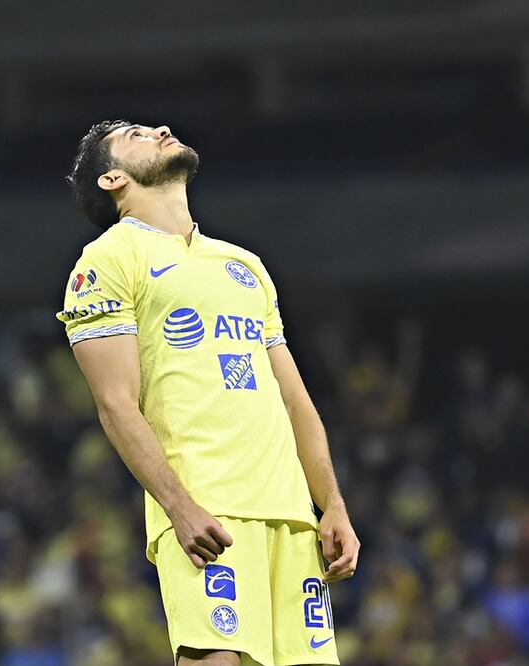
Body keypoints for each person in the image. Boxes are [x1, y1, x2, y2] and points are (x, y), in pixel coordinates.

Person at [57, 120, 359, 666]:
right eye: (136, 135)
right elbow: (115, 403)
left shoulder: (245, 265)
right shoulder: (107, 261)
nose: (160, 129)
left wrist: (330, 504)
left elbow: (294, 400)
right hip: (207, 508)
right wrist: (179, 507)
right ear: (113, 179)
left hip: (290, 513)